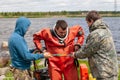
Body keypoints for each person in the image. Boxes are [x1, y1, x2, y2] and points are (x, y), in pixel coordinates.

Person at [72, 10, 118, 80]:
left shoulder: (96, 34)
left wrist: (75, 54)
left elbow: (87, 51)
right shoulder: (106, 29)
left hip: (104, 71)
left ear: (91, 21)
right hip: (111, 69)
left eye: (87, 22)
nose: (87, 25)